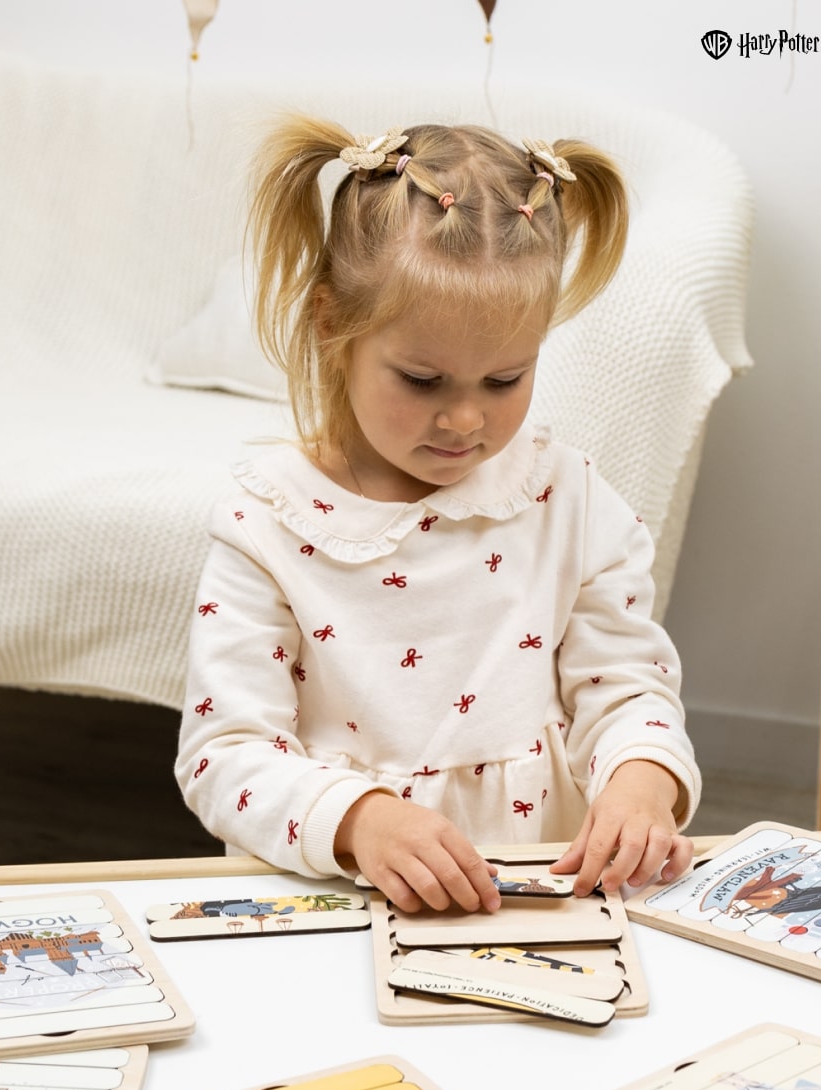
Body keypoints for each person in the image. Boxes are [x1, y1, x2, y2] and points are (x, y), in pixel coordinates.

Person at [175, 116, 701, 914]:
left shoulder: (571, 500)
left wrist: (642, 785)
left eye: (505, 380)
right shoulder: (268, 523)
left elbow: (627, 690)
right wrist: (361, 821)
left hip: (537, 903)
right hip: (336, 904)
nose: (464, 420)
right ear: (331, 323)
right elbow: (224, 756)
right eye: (423, 381)